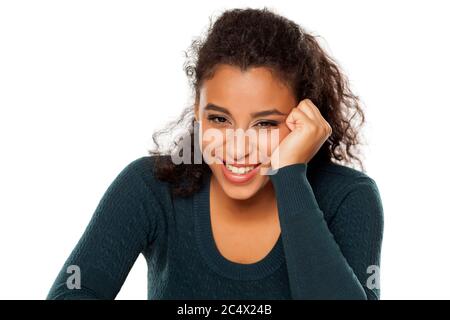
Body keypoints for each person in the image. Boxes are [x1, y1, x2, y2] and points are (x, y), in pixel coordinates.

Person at [47, 7, 384, 300]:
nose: (237, 148)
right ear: (197, 110)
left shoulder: (350, 198)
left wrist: (291, 177)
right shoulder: (150, 187)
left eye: (265, 124)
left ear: (303, 119)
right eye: (219, 119)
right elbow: (71, 292)